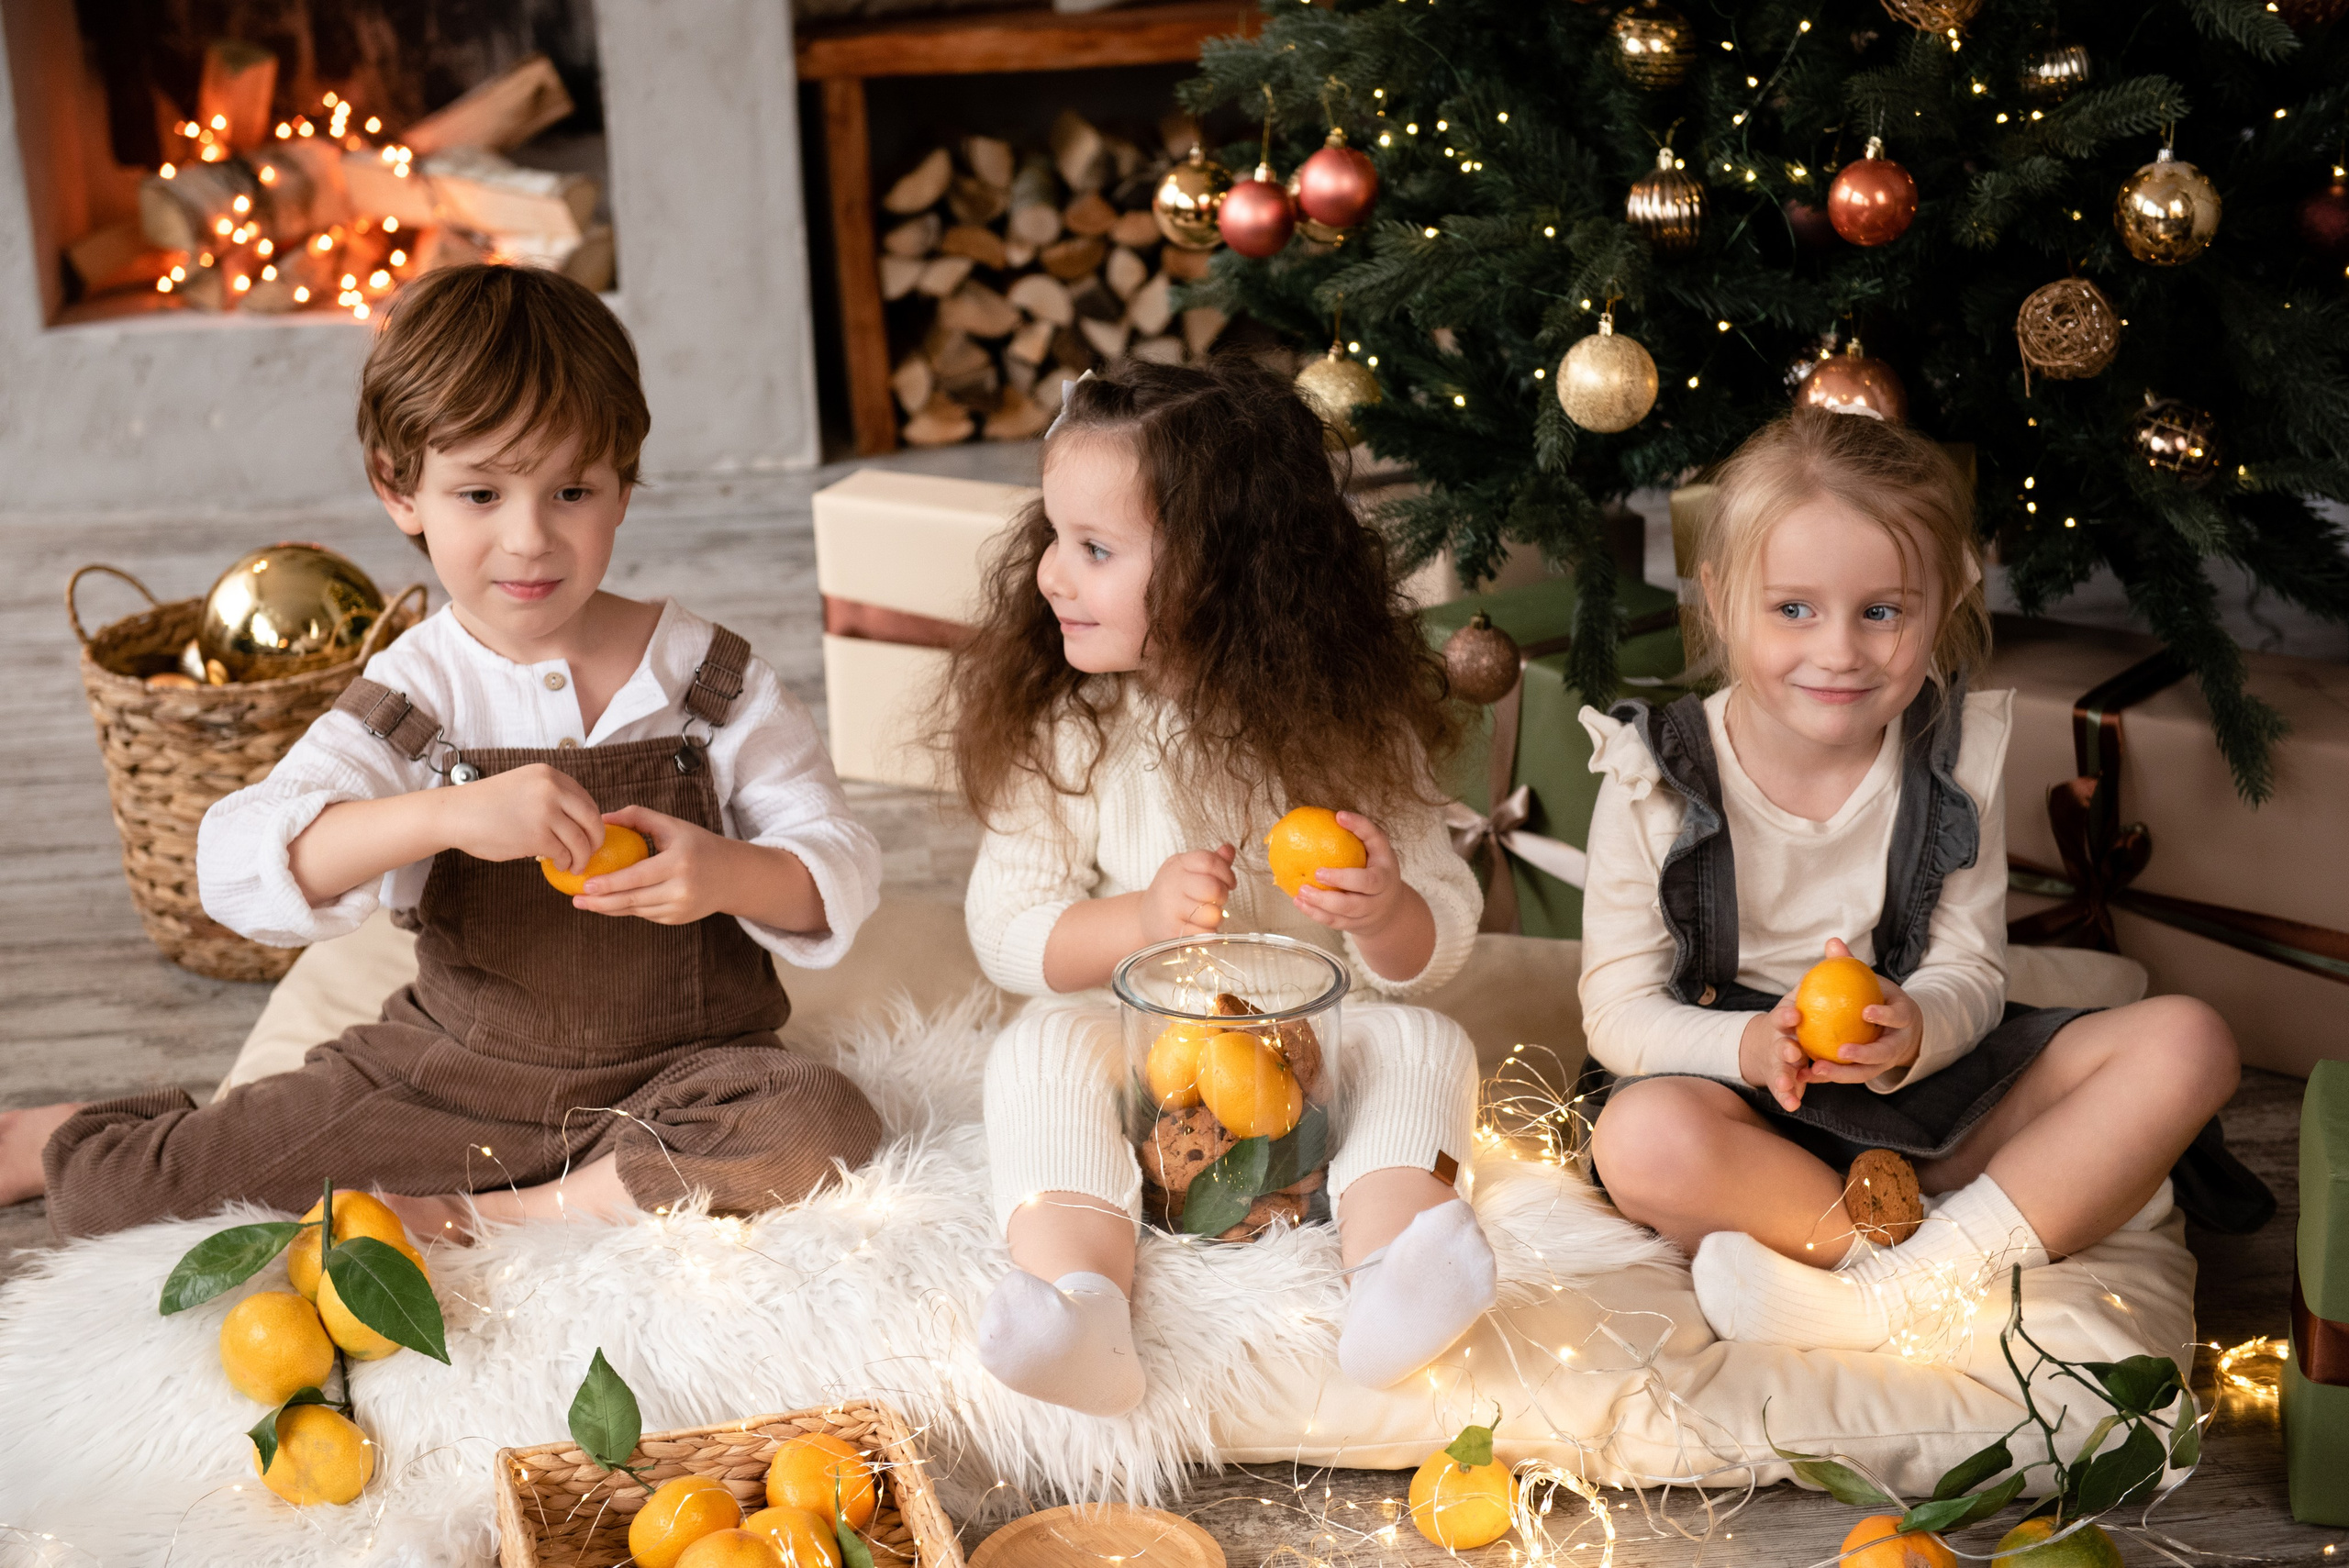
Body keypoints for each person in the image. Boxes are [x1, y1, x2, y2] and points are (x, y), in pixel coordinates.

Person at [1, 264, 885, 1240]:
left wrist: (725, 872)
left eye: (571, 490)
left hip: (688, 1077)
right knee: (126, 1198)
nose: (529, 538)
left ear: (624, 486)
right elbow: (235, 867)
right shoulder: (416, 697)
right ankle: (57, 1132)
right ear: (400, 488)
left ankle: (498, 1217)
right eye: (480, 492)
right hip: (450, 1082)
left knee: (820, 1123)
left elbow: (838, 862)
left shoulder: (709, 680)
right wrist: (446, 813)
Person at [1578, 408, 2256, 1353]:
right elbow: (1615, 1010)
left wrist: (1918, 1027)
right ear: (1720, 598)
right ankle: (1973, 1224)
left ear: (1943, 603)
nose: (1839, 651)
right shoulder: (1652, 775)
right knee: (1639, 1137)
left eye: (1882, 611)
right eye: (1793, 609)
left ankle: (1900, 1286)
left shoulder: (1954, 754)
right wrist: (1748, 1047)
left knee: (2190, 1040)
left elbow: (1971, 968)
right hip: (1743, 1107)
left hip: (1928, 1085)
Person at [952, 359, 1496, 1417]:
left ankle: (1389, 1280)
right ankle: (1084, 1306)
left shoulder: (1354, 726)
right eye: (1055, 537)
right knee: (1037, 1047)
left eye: (1095, 549)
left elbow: (1442, 938)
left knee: (1425, 1041)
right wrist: (1138, 919)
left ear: (1225, 571)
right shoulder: (1072, 728)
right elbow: (1004, 929)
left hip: (1313, 1058)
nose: (1051, 575)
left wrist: (1387, 911)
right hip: (1143, 1058)